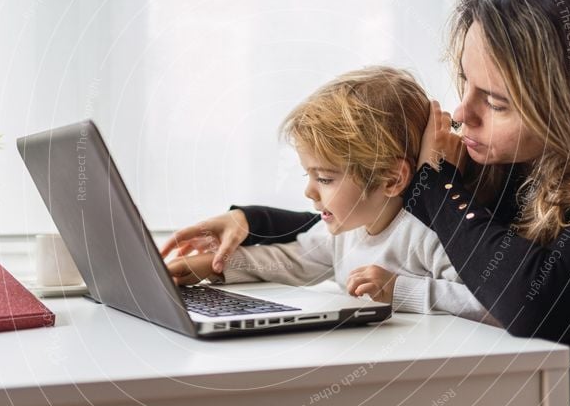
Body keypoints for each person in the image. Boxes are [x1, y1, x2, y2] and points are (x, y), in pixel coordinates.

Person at [161, 0, 570, 406]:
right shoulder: (527, 153)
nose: (461, 114)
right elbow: (380, 215)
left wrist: (437, 182)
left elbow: (535, 302)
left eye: (497, 102)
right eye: (466, 85)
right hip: (519, 400)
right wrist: (248, 222)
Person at [166, 66, 497, 325]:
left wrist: (399, 291)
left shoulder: (426, 235)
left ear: (392, 179)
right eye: (308, 174)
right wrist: (215, 266)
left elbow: (489, 303)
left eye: (324, 178)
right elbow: (294, 260)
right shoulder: (345, 229)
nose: (309, 191)